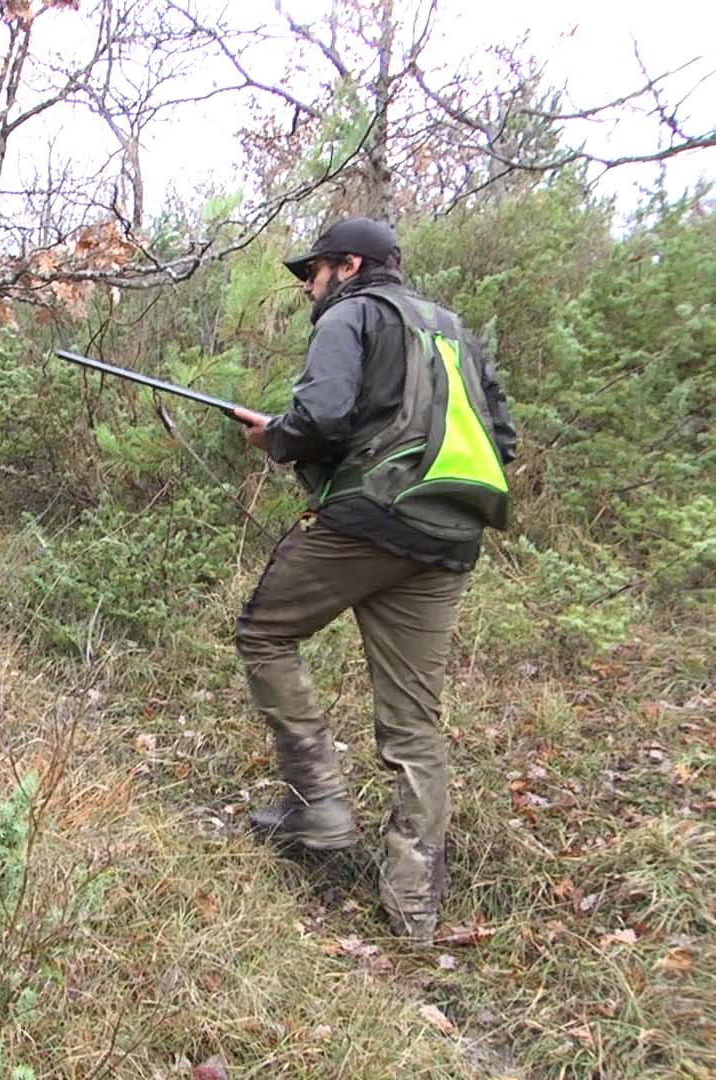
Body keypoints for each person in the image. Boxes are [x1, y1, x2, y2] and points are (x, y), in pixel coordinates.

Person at [228, 217, 518, 944]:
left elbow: (320, 417)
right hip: (451, 535)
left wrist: (277, 439)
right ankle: (414, 907)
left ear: (348, 265)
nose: (308, 286)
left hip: (369, 521)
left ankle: (319, 806)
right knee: (417, 722)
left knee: (264, 633)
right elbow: (503, 439)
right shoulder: (453, 329)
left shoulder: (350, 314)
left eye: (314, 271)